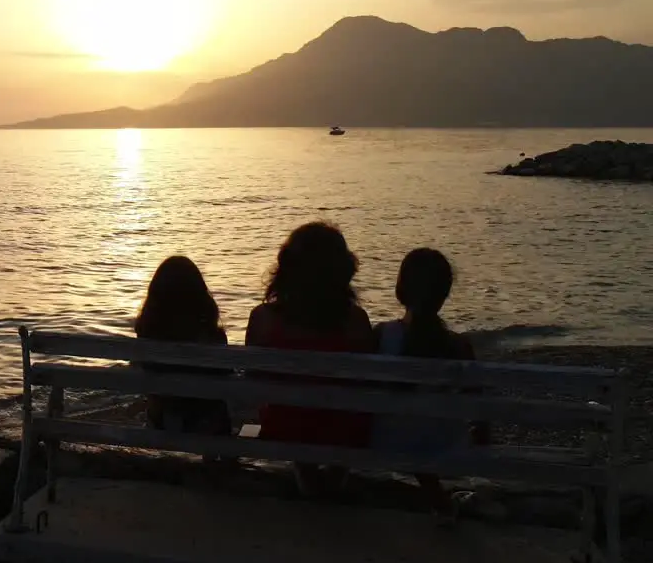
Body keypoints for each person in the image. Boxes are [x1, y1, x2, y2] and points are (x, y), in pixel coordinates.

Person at [245, 222, 373, 496]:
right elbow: (365, 384)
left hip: (282, 426)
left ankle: (307, 473)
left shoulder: (263, 319)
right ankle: (334, 476)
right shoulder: (356, 321)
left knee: (295, 409)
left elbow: (252, 379)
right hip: (344, 432)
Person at [373, 248, 488, 523]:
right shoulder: (460, 346)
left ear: (400, 288)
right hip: (446, 446)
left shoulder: (381, 336)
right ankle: (441, 502)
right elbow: (479, 411)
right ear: (444, 294)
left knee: (403, 424)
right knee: (425, 427)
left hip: (384, 442)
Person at [134, 255, 231, 435]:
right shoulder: (214, 337)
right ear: (200, 293)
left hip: (161, 422)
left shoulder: (146, 334)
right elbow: (225, 379)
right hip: (207, 424)